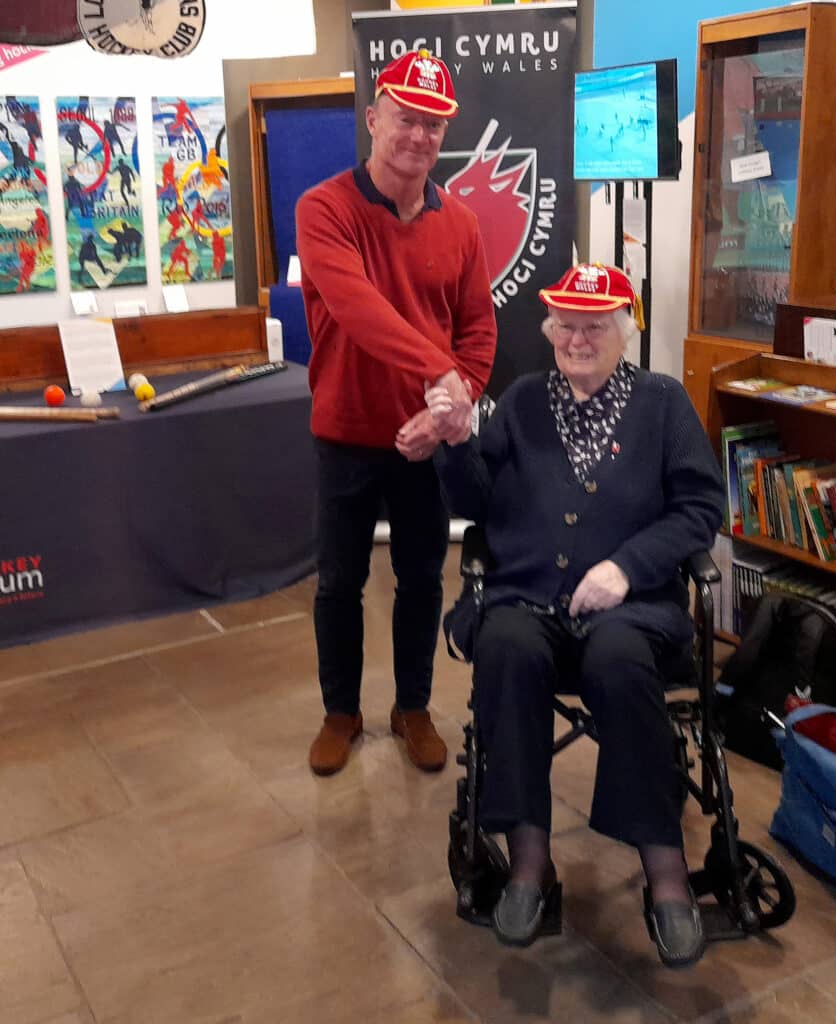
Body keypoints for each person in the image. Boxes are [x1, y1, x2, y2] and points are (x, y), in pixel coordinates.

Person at [430, 263, 724, 966]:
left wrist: (628, 567)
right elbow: (475, 500)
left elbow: (700, 509)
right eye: (567, 324)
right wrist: (454, 441)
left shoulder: (663, 403)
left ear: (625, 330)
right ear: (551, 330)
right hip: (525, 598)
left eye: (595, 325)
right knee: (506, 646)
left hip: (629, 611)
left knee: (620, 662)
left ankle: (666, 871)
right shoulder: (526, 401)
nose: (578, 338)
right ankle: (529, 863)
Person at [295, 49, 497, 777]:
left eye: (434, 126)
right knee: (338, 582)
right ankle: (339, 713)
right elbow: (359, 310)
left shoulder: (463, 223)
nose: (418, 136)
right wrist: (440, 374)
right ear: (374, 119)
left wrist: (454, 404)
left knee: (421, 578)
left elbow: (478, 330)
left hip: (426, 443)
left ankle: (412, 707)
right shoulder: (323, 209)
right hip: (345, 433)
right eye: (407, 119)